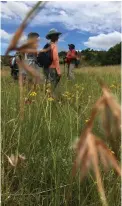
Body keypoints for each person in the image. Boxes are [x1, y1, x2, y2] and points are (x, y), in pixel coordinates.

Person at [44, 29, 62, 96]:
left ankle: (46, 96)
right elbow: (55, 59)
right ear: (53, 37)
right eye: (57, 35)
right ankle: (51, 98)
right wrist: (58, 71)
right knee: (52, 84)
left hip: (46, 67)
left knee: (47, 82)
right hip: (52, 68)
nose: (58, 37)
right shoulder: (54, 45)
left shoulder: (47, 45)